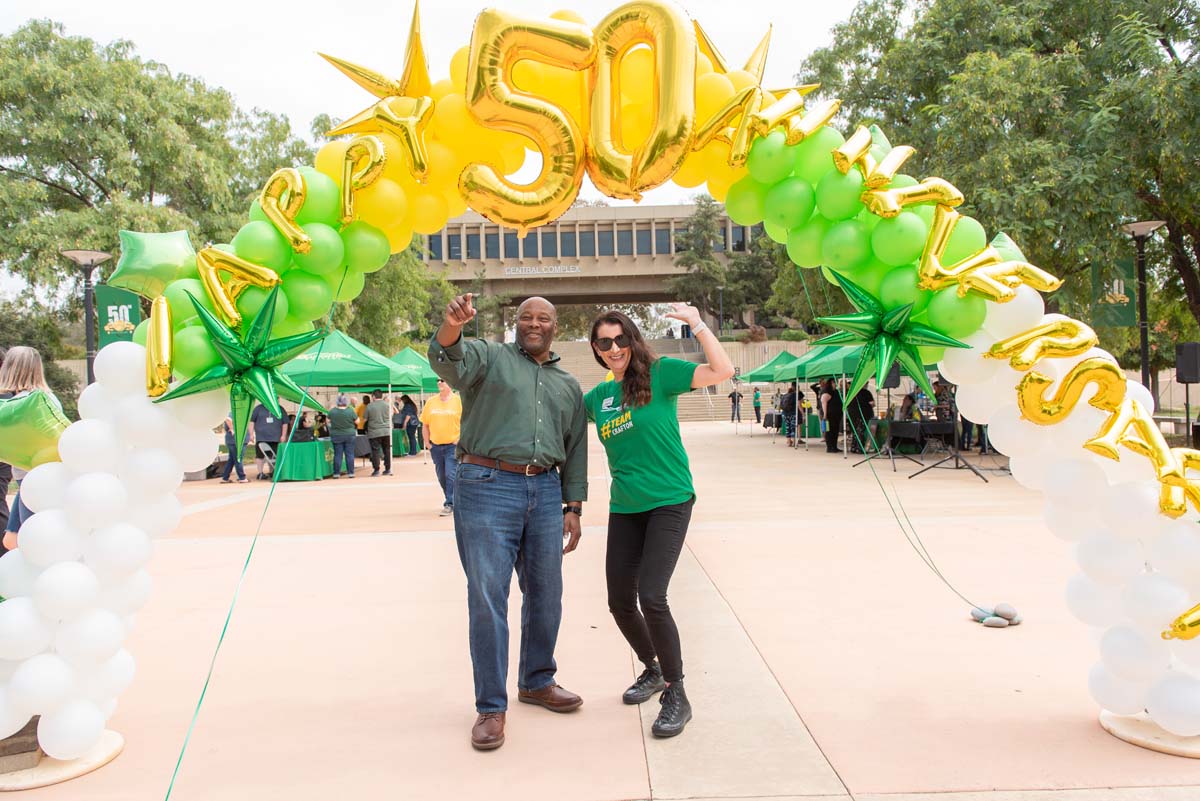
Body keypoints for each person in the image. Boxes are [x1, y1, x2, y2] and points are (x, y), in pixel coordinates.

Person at [430, 293, 587, 752]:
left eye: (543, 318)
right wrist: (452, 325)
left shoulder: (567, 384)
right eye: (525, 317)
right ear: (515, 323)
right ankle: (491, 707)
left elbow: (575, 446)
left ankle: (537, 680)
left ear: (557, 326)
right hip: (485, 483)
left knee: (546, 592)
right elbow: (448, 360)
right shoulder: (489, 357)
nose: (534, 324)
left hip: (545, 490)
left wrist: (573, 506)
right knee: (488, 595)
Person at [585, 304, 734, 739]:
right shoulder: (598, 398)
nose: (613, 349)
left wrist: (697, 323)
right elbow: (563, 425)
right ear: (596, 349)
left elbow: (721, 370)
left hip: (669, 500)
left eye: (619, 340)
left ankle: (676, 691)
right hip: (625, 506)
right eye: (604, 343)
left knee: (652, 595)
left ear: (631, 339)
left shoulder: (661, 373)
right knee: (618, 601)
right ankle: (651, 669)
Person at [2, 347, 60, 551]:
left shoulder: (25, 403)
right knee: (11, 540)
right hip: (31, 479)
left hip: (36, 482)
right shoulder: (45, 398)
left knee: (32, 543)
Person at [421, 378, 462, 516]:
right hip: (436, 446)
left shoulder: (458, 401)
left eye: (443, 380)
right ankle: (452, 498)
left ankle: (449, 503)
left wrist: (460, 439)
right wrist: (427, 443)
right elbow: (425, 424)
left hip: (452, 445)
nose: (439, 383)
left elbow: (467, 422)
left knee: (450, 474)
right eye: (438, 380)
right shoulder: (431, 402)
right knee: (441, 476)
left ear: (450, 383)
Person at [250, 399, 287, 480]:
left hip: (275, 437)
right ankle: (260, 472)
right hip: (261, 437)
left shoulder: (280, 409)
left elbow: (285, 423)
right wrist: (251, 434)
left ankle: (273, 471)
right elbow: (252, 421)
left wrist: (283, 435)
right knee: (260, 455)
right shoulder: (258, 409)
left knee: (274, 455)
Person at [328, 394, 358, 478]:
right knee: (350, 454)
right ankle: (351, 473)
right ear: (346, 402)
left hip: (336, 435)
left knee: (338, 454)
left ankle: (336, 473)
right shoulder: (350, 411)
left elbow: (327, 421)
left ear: (337, 402)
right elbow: (357, 421)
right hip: (349, 435)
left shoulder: (333, 411)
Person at [365, 390, 392, 476]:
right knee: (387, 450)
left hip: (374, 431)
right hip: (386, 431)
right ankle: (388, 469)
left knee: (375, 451)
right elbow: (391, 415)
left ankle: (376, 470)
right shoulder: (387, 405)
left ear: (373, 396)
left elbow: (365, 419)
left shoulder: (369, 406)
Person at [221, 414, 251, 483]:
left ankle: (225, 477)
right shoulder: (234, 412)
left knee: (231, 460)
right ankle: (242, 477)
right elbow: (228, 419)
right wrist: (232, 429)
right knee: (238, 458)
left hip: (237, 440)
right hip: (236, 441)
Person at [847, 387, 876, 454]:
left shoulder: (851, 392)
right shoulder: (866, 392)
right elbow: (872, 403)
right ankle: (859, 447)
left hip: (852, 414)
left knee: (855, 431)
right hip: (863, 413)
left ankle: (854, 447)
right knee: (860, 431)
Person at [821, 378, 844, 453]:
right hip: (830, 415)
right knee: (830, 431)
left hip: (836, 415)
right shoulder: (827, 392)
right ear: (831, 383)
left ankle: (834, 446)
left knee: (835, 431)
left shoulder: (835, 391)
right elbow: (824, 403)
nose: (836, 384)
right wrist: (825, 415)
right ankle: (830, 447)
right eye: (835, 383)